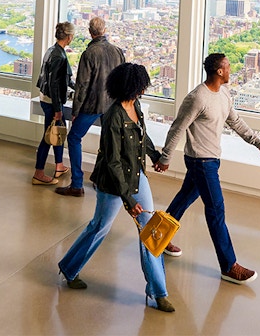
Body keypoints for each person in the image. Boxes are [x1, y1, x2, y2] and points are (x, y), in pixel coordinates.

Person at [57, 63, 176, 313]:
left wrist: (154, 155)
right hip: (113, 182)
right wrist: (128, 200)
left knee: (150, 231)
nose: (144, 88)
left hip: (137, 175)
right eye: (141, 84)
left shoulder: (136, 106)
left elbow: (142, 136)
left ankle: (158, 291)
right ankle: (69, 268)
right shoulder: (113, 116)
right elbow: (112, 161)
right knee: (99, 227)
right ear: (131, 87)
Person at [154, 52, 260, 285]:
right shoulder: (197, 98)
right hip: (201, 162)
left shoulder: (224, 94)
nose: (232, 71)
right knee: (216, 210)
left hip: (211, 160)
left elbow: (236, 122)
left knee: (183, 199)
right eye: (228, 67)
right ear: (219, 71)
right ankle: (229, 266)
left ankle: (157, 236)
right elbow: (177, 128)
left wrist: (258, 143)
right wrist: (165, 157)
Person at [55, 16, 125, 197]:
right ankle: (101, 181)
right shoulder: (118, 51)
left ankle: (77, 184)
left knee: (74, 138)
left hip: (92, 105)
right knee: (108, 142)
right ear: (104, 30)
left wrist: (76, 111)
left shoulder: (89, 53)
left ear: (90, 32)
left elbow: (83, 85)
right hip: (112, 104)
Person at [32, 21, 75, 185]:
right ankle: (38, 173)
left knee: (57, 132)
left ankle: (59, 166)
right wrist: (58, 109)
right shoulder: (59, 56)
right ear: (69, 37)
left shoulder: (53, 50)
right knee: (48, 136)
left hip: (46, 99)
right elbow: (55, 84)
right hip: (52, 102)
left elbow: (62, 79)